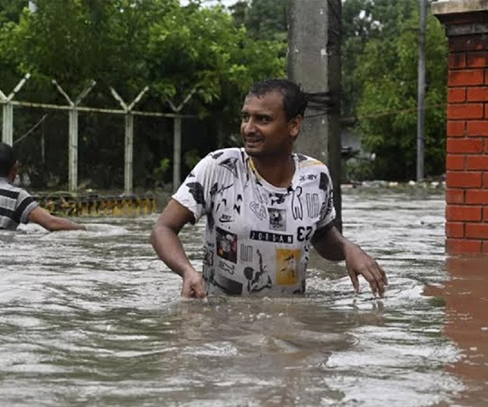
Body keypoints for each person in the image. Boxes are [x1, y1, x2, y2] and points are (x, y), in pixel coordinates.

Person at [151, 78, 387, 299]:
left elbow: (322, 235)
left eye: (263, 119)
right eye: (246, 117)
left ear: (294, 125)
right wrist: (187, 271)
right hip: (223, 323)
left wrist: (348, 249)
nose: (248, 128)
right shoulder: (219, 167)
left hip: (290, 321)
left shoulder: (315, 176)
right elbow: (163, 228)